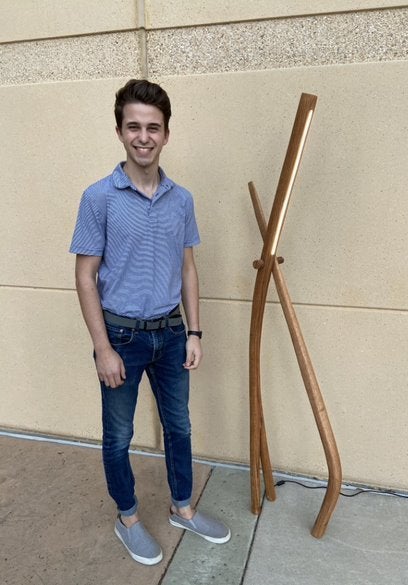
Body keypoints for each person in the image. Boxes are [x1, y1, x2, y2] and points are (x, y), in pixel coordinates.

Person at [70, 79, 230, 565]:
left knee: (178, 425)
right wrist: (103, 348)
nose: (144, 136)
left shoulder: (181, 199)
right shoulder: (99, 197)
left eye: (153, 127)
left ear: (166, 134)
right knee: (118, 435)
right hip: (120, 335)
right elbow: (85, 275)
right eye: (134, 126)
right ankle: (128, 519)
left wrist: (195, 331)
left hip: (172, 333)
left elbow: (187, 268)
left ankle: (182, 507)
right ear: (119, 131)